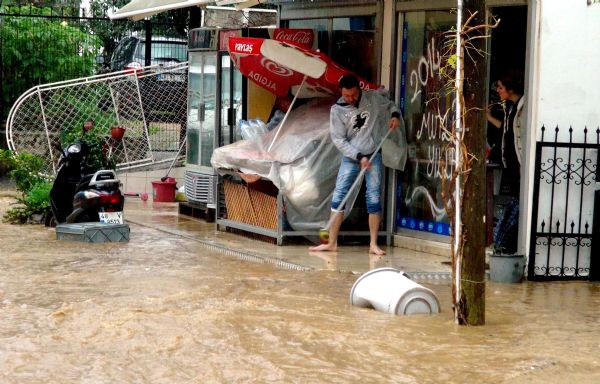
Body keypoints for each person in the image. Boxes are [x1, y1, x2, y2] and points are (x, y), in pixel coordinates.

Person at [309, 74, 402, 255]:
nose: (350, 99)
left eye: (353, 95)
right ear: (341, 92)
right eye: (346, 96)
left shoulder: (373, 98)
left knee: (373, 198)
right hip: (352, 156)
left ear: (359, 90)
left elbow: (390, 105)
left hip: (373, 154)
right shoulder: (337, 110)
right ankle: (331, 243)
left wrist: (395, 116)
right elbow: (338, 140)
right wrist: (359, 157)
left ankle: (373, 244)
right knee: (339, 196)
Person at [486, 71, 525, 254]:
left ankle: (510, 243)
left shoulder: (522, 107)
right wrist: (489, 118)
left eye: (501, 87)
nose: (498, 91)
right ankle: (505, 242)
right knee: (513, 203)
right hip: (509, 165)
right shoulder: (510, 107)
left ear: (509, 89)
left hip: (517, 166)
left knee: (517, 204)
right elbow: (506, 129)